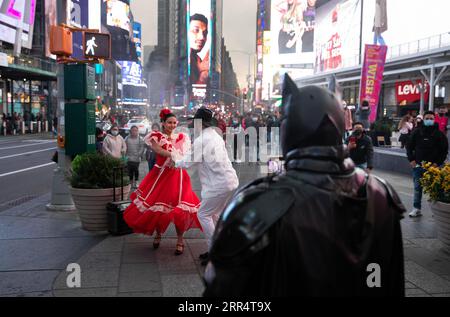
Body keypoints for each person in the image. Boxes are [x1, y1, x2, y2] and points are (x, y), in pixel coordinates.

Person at [204, 75, 406, 297]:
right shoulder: (382, 195)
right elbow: (389, 282)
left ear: (289, 129)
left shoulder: (256, 204)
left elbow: (221, 289)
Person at [124, 109, 202, 256]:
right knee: (158, 208)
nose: (172, 125)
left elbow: (187, 153)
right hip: (160, 175)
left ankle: (180, 240)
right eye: (169, 122)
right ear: (163, 123)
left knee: (181, 209)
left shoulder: (182, 137)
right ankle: (158, 234)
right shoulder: (156, 136)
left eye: (174, 122)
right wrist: (173, 155)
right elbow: (157, 149)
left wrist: (180, 158)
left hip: (178, 176)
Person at [173, 107, 239, 266]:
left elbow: (188, 162)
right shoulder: (214, 136)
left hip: (218, 185)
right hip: (229, 181)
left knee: (203, 214)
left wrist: (174, 159)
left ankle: (214, 253)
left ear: (200, 123)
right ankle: (219, 248)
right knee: (214, 215)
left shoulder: (202, 139)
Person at [407, 111, 448, 218]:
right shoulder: (417, 132)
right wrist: (412, 160)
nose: (429, 120)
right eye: (427, 118)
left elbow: (444, 151)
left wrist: (437, 163)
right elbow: (409, 146)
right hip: (418, 166)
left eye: (431, 118)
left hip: (434, 167)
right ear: (423, 119)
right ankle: (416, 208)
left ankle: (437, 211)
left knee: (436, 189)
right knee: (417, 188)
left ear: (434, 120)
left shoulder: (439, 134)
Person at [189, 14, 210, 85]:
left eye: (205, 33)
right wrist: (203, 77)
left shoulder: (197, 59)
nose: (202, 37)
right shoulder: (178, 61)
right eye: (196, 30)